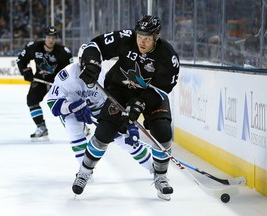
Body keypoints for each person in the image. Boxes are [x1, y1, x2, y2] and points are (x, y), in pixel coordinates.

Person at [73, 15, 180, 201]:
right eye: (140, 36)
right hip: (120, 91)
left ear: (156, 37)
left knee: (162, 131)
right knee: (104, 132)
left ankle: (161, 176)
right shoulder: (125, 38)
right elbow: (95, 45)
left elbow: (163, 89)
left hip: (151, 96)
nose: (142, 41)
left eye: (147, 38)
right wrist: (91, 63)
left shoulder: (168, 57)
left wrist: (140, 103)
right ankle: (84, 171)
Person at [46, 43, 154, 177]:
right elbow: (53, 103)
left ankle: (152, 166)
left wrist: (126, 124)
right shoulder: (66, 75)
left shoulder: (106, 76)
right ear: (80, 60)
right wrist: (73, 107)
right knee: (74, 129)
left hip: (99, 109)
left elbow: (118, 101)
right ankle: (84, 171)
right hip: (73, 109)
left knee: (124, 139)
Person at [16, 26, 73, 141]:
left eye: (53, 37)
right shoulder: (34, 47)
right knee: (31, 100)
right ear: (44, 37)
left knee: (64, 104)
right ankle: (41, 128)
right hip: (40, 80)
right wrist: (26, 71)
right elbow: (21, 60)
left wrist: (65, 83)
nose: (50, 40)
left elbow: (70, 69)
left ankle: (80, 126)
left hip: (57, 82)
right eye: (48, 37)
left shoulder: (63, 52)